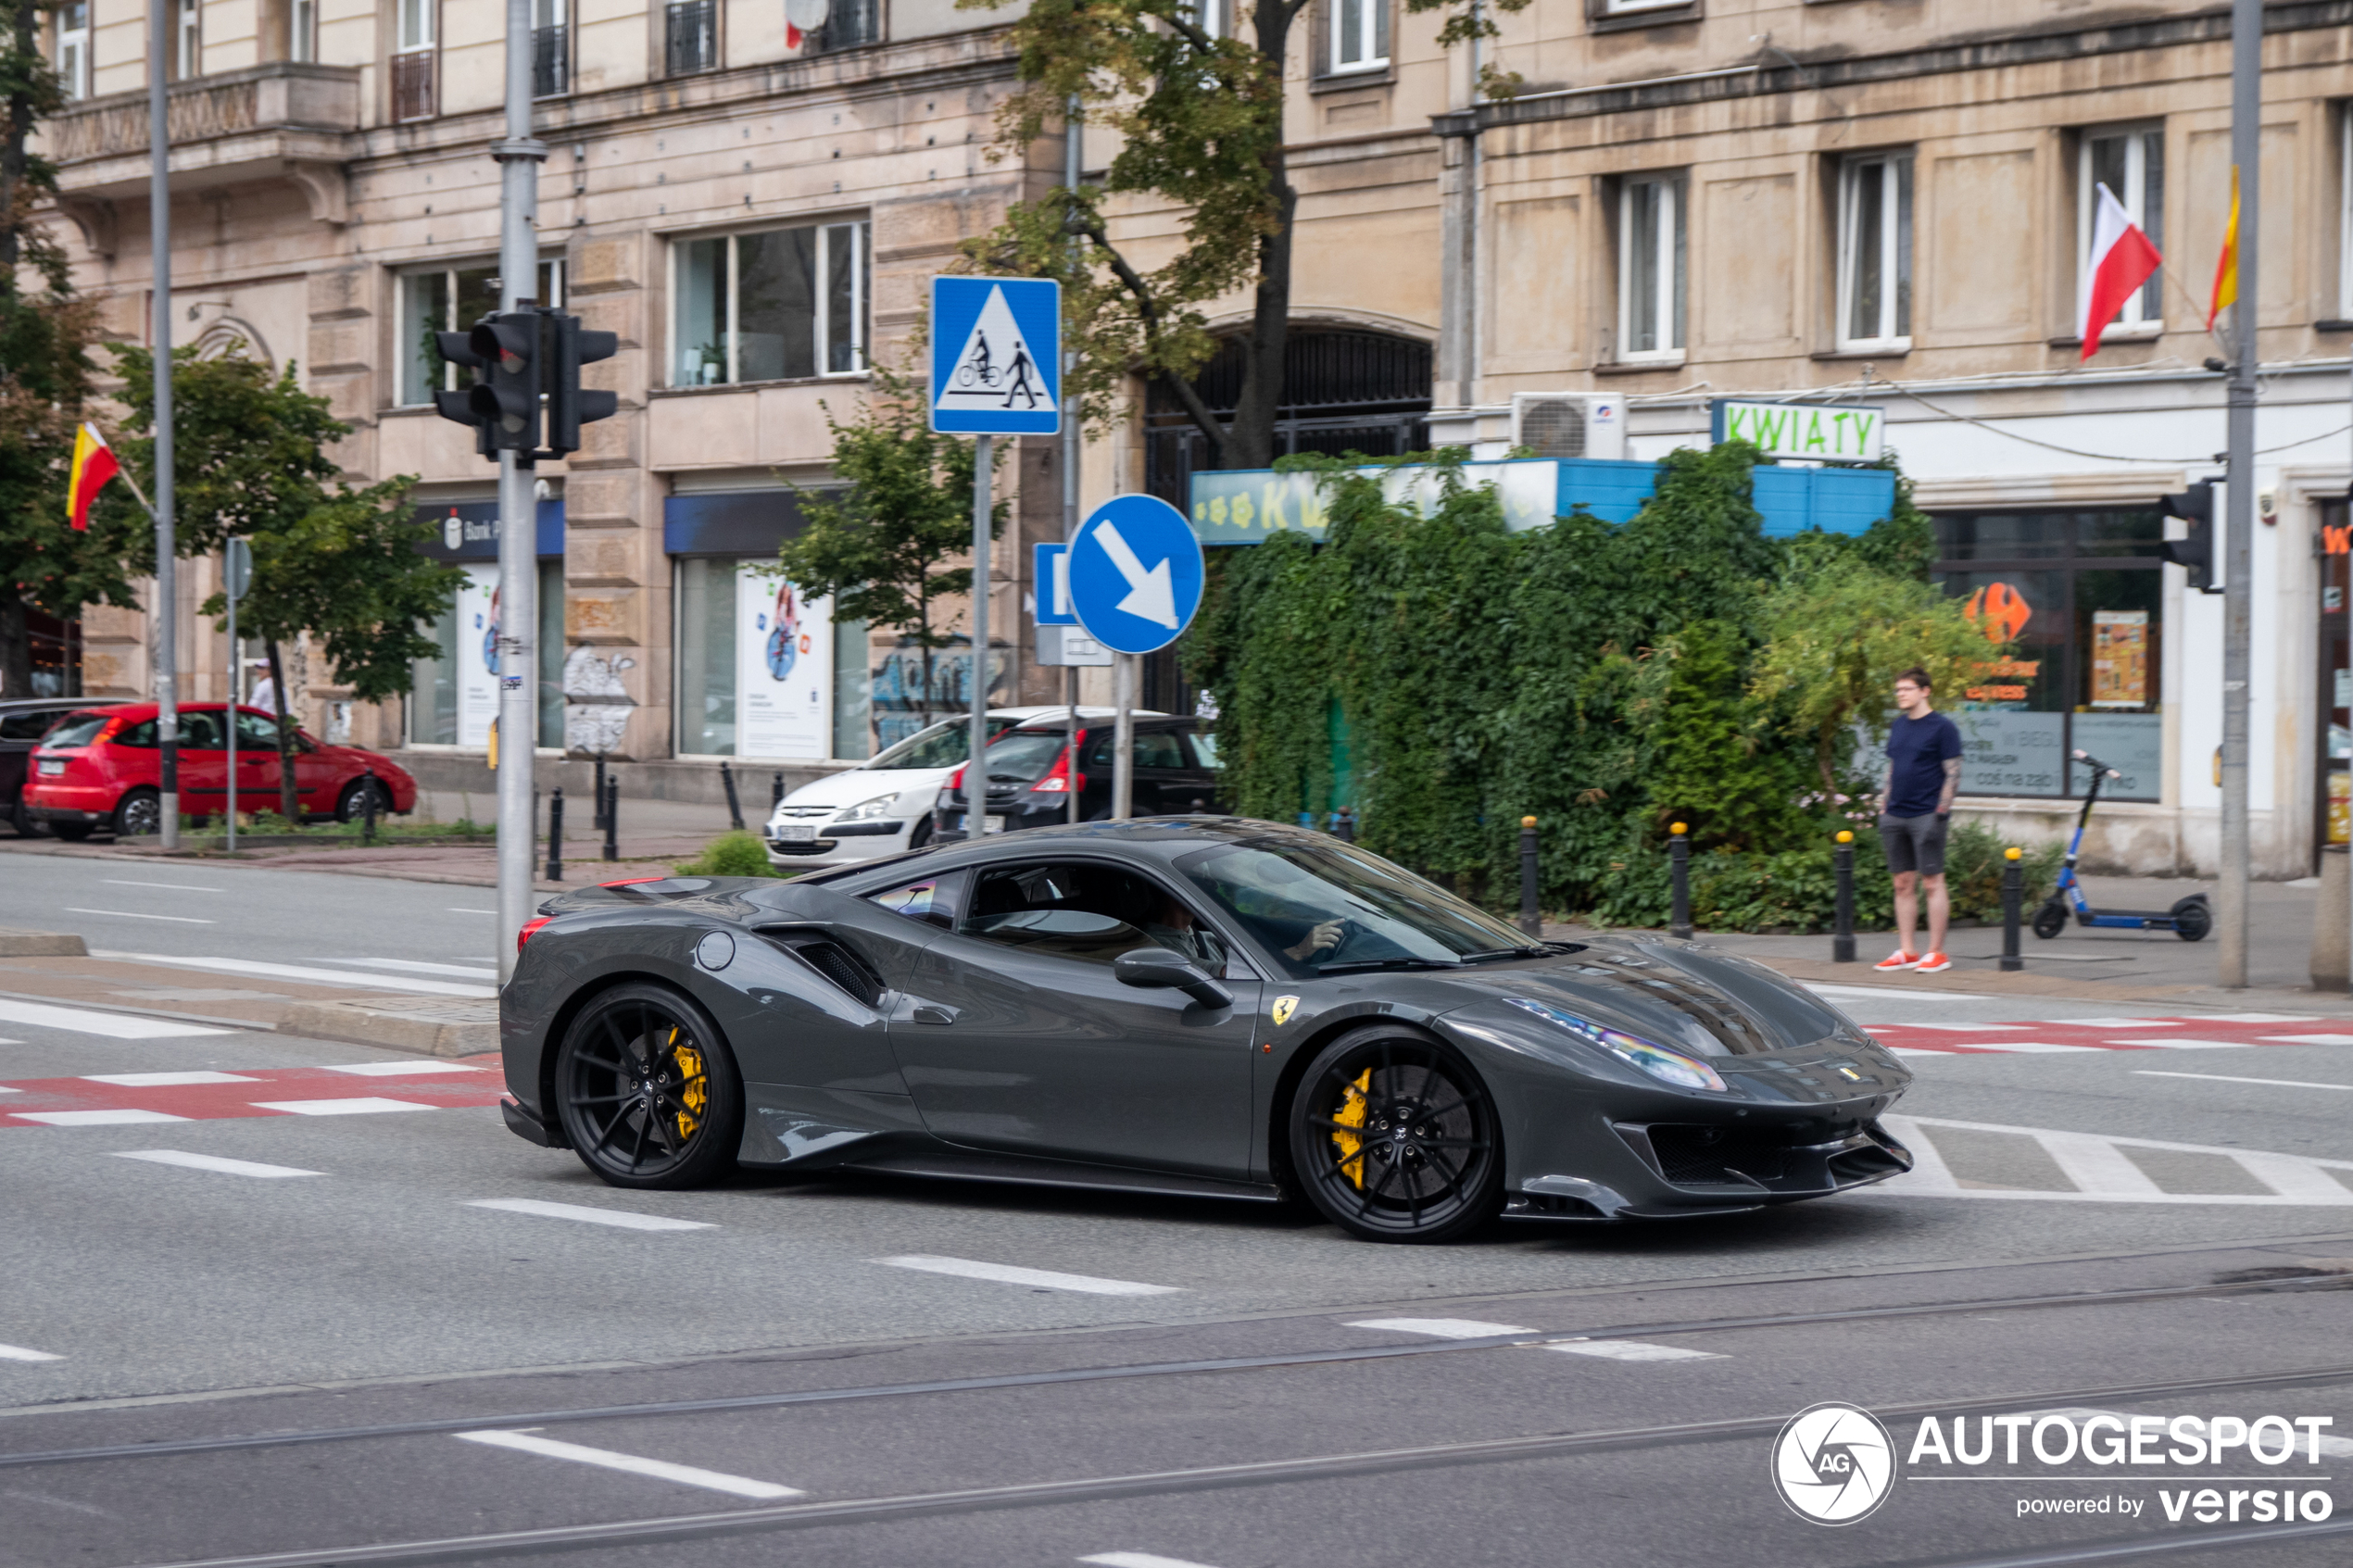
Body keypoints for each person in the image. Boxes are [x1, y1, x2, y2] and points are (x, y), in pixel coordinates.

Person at [1875, 666, 1964, 973]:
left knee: (1932, 882)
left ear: (1924, 691)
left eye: (1907, 689)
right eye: (1898, 690)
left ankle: (1936, 952)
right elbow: (1892, 767)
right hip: (1895, 813)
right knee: (1902, 883)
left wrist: (1941, 812)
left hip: (1927, 814)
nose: (1900, 694)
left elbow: (1953, 773)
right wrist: (1884, 804)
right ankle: (1907, 950)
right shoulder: (1899, 726)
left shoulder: (1943, 728)